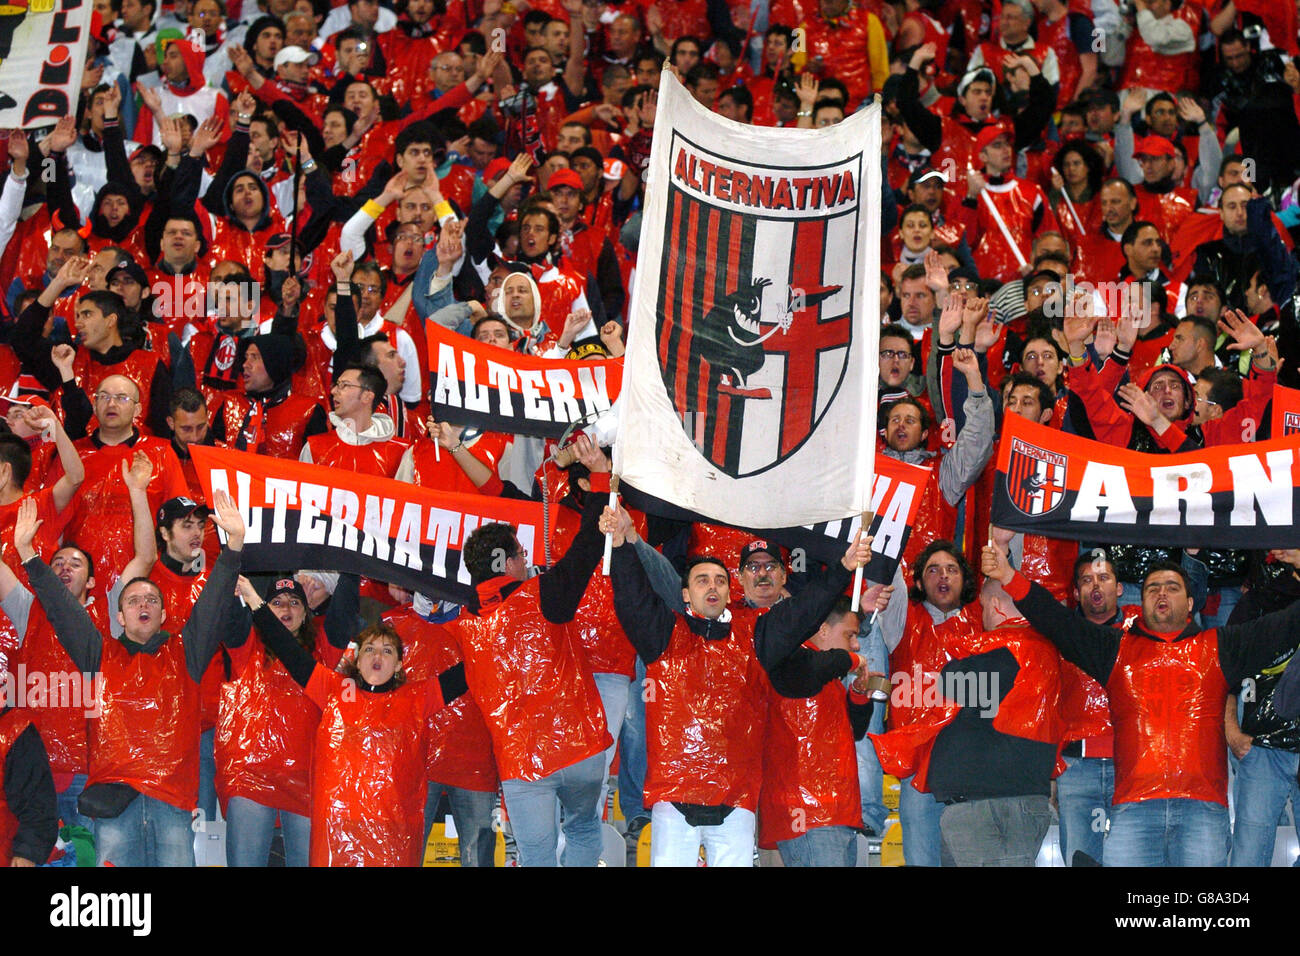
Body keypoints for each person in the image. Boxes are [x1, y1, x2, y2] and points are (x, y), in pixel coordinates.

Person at [982, 542, 1300, 866]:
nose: (1162, 594)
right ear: (1139, 598)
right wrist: (1008, 575)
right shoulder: (1116, 650)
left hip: (1202, 810)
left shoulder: (1220, 646)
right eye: (1152, 589)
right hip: (1134, 810)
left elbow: (1288, 626)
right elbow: (1057, 621)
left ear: (1190, 602)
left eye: (1172, 587)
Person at [605, 498, 874, 867]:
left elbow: (803, 613)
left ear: (730, 592)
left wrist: (844, 567)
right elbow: (633, 598)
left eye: (720, 580)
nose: (712, 586)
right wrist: (621, 547)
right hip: (673, 799)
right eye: (702, 580)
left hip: (736, 802)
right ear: (686, 594)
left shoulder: (755, 637)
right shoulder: (663, 634)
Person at [19, 490, 249, 866]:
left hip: (172, 801)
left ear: (162, 615)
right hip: (114, 803)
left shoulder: (187, 652)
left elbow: (212, 604)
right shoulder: (99, 653)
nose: (144, 604)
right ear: (120, 617)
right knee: (116, 909)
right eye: (133, 601)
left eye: (152, 601)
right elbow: (62, 610)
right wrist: (29, 556)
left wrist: (234, 549)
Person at [217, 574, 358, 867]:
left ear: (306, 613)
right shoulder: (247, 647)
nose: (286, 608)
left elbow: (344, 611)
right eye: (277, 602)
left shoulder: (323, 650)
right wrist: (233, 554)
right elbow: (230, 616)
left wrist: (352, 559)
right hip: (252, 779)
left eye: (295, 602)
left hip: (307, 781)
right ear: (263, 609)